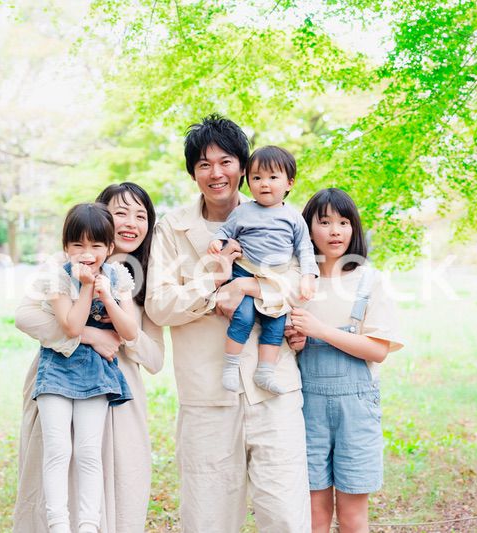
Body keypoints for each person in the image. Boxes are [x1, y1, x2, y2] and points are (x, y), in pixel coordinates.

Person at [145, 114, 311, 532]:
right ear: (193, 173)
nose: (216, 173)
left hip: (273, 387)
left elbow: (299, 283)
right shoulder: (172, 229)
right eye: (204, 164)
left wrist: (248, 289)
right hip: (206, 394)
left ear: (243, 165)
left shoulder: (280, 215)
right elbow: (159, 305)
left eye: (225, 162)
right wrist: (211, 290)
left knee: (286, 513)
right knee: (207, 517)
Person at [14, 184, 164, 533]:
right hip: (60, 378)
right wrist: (92, 335)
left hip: (118, 391)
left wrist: (122, 335)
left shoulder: (138, 278)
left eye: (140, 215)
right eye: (120, 212)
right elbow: (25, 316)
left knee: (119, 493)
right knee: (58, 469)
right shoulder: (63, 265)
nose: (130, 223)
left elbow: (155, 359)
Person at [285, 188, 404, 533]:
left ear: (354, 228)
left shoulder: (369, 280)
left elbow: (378, 349)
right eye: (324, 222)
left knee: (352, 519)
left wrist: (320, 330)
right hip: (307, 408)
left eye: (343, 222)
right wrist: (298, 340)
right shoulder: (298, 283)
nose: (335, 231)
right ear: (307, 229)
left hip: (356, 411)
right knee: (315, 517)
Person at [208, 145, 318, 395]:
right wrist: (218, 241)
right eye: (256, 178)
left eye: (272, 177)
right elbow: (225, 231)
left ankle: (265, 372)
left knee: (275, 323)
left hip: (276, 278)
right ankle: (230, 365)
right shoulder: (243, 212)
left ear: (289, 183)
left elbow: (305, 249)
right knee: (243, 317)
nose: (264, 184)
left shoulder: (293, 217)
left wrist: (308, 277)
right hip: (245, 272)